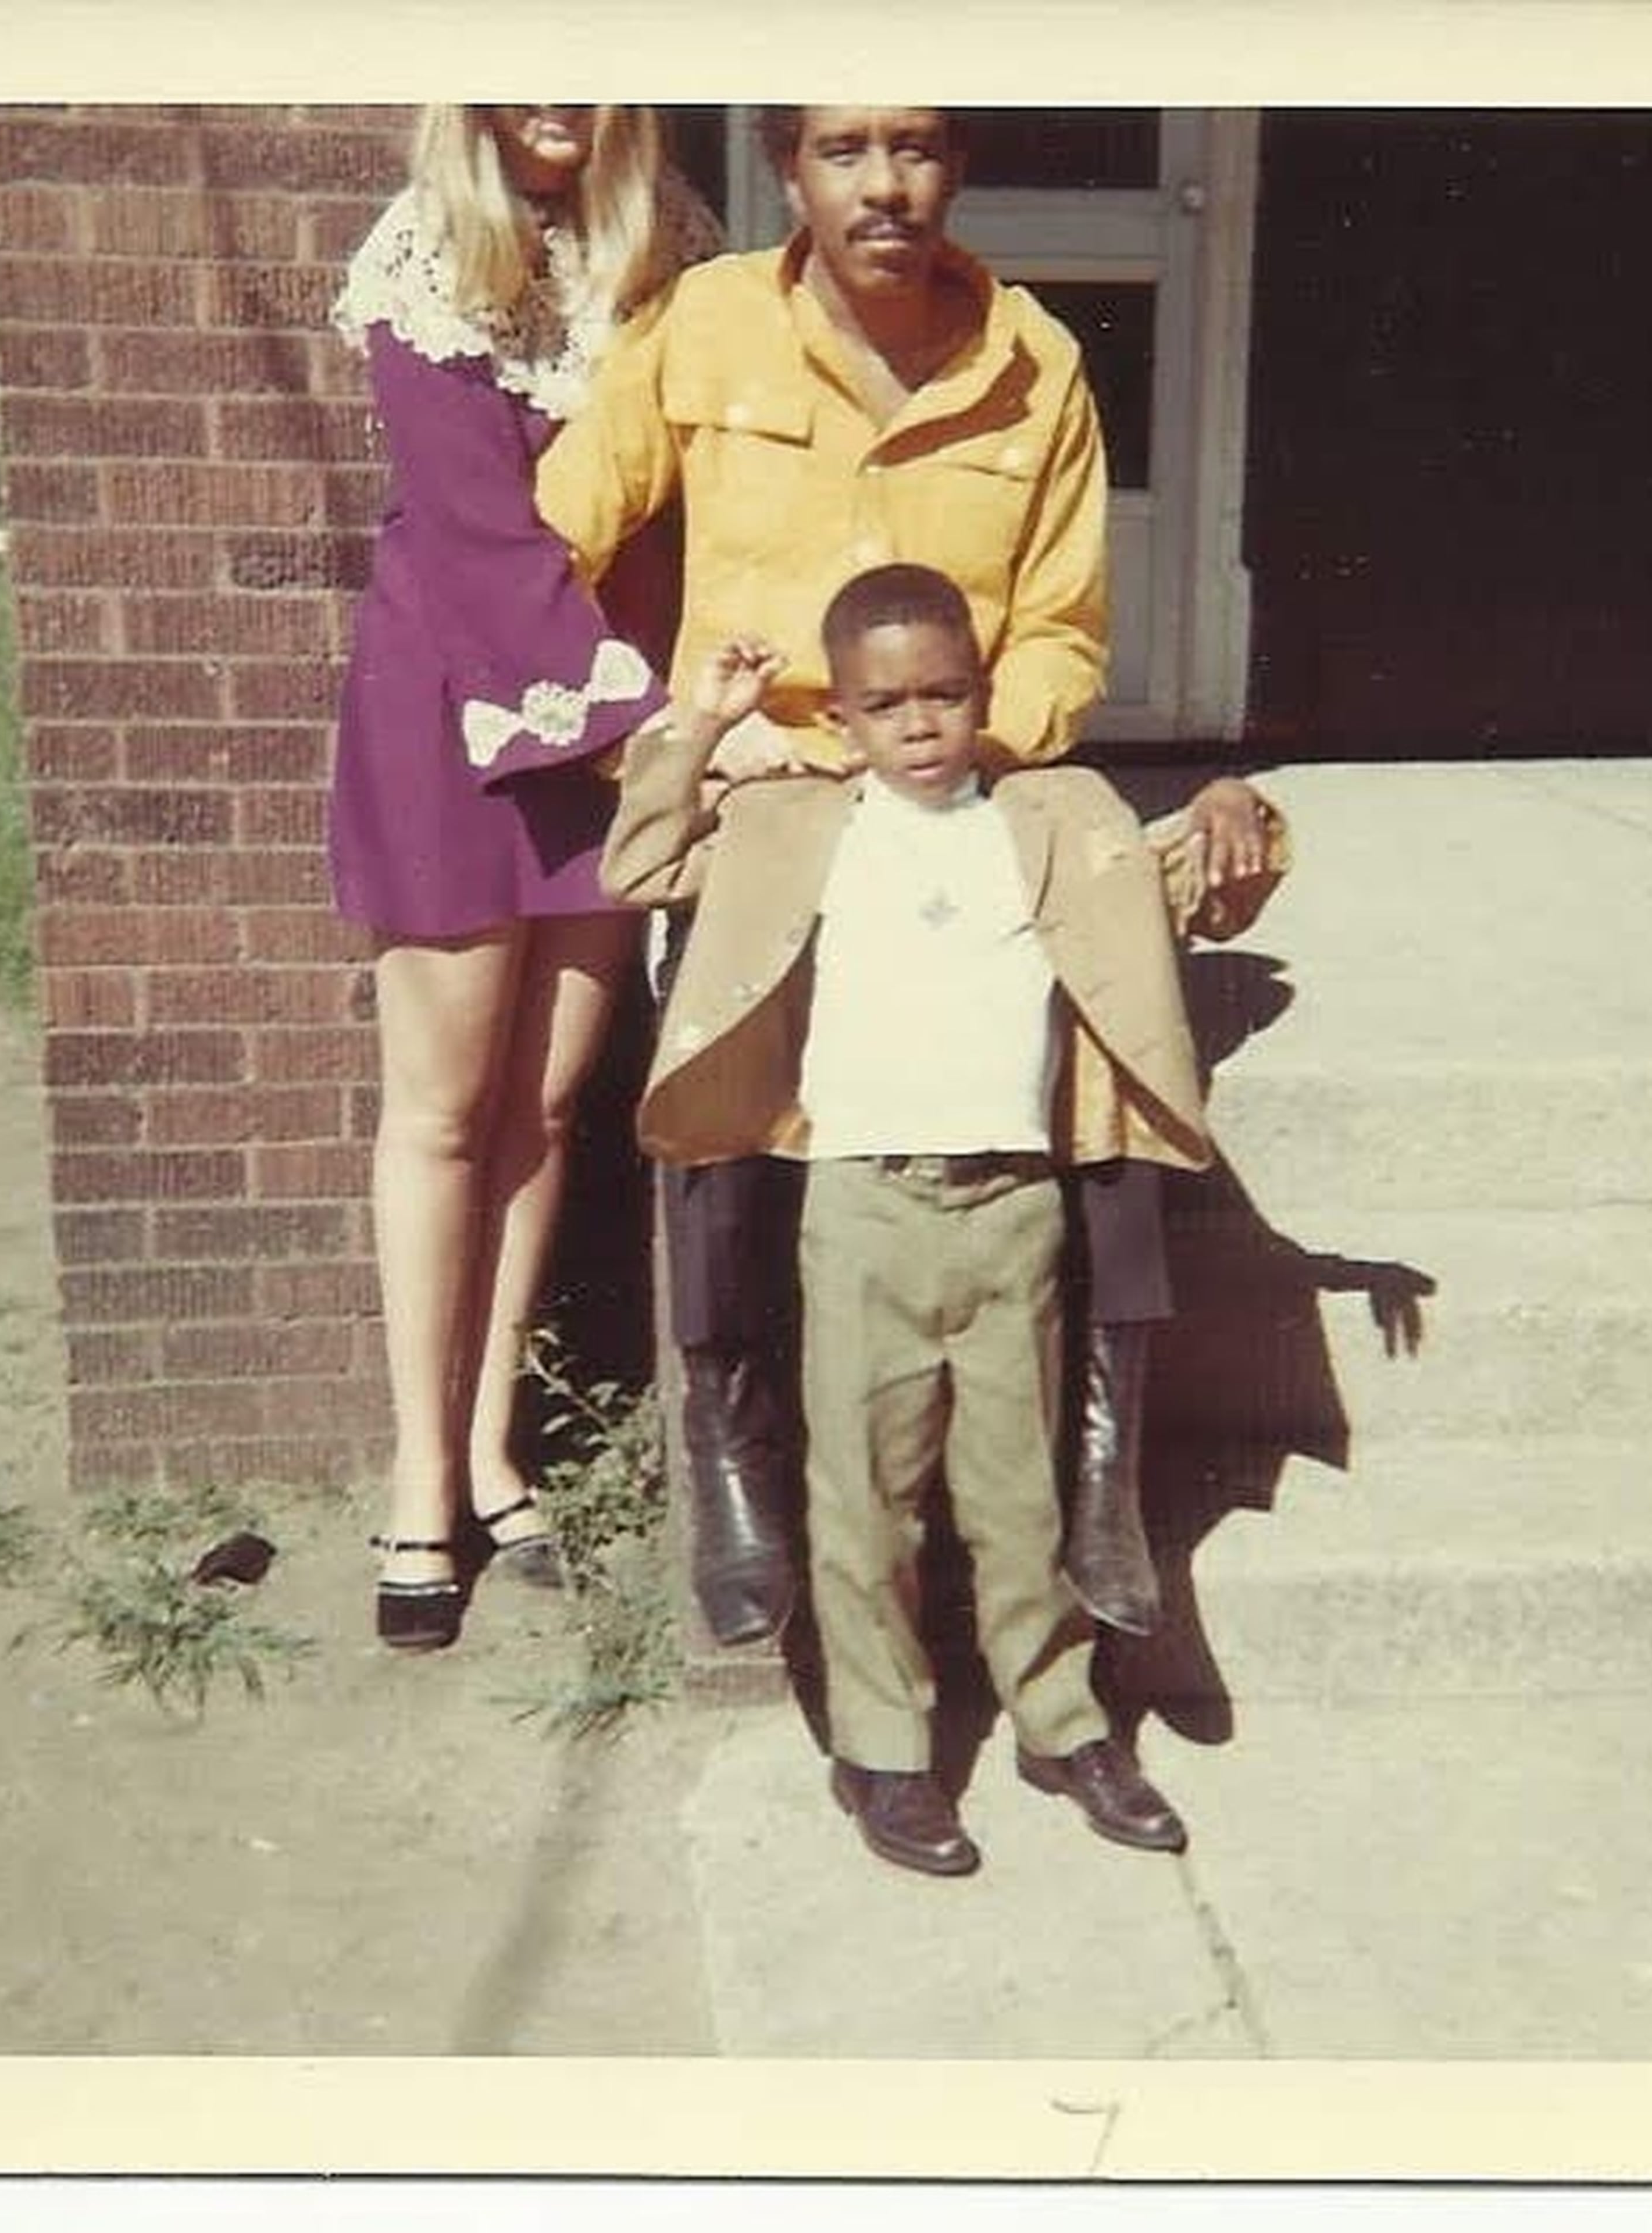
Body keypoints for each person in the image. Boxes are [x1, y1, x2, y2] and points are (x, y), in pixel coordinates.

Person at [540, 105, 1285, 1652]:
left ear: (961, 165)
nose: (885, 185)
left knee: (1114, 1003)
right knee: (726, 1034)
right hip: (775, 800)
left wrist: (953, 753)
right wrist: (661, 735)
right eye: (842, 148)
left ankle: (1099, 1462)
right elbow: (553, 547)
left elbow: (1070, 629)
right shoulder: (705, 327)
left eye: (920, 147)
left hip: (963, 782)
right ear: (787, 166)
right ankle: (737, 1445)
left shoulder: (1036, 364)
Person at [603, 564, 1236, 1874]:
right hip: (863, 1211)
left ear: (983, 695)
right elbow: (642, 861)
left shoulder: (1051, 818)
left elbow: (1194, 886)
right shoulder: (800, 827)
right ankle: (882, 1750)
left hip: (1013, 1211)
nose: (920, 724)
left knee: (1019, 1493)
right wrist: (706, 726)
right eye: (885, 703)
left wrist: (1237, 809)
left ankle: (1060, 1722)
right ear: (841, 718)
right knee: (867, 1494)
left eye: (946, 695)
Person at [328, 105, 719, 1650]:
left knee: (545, 1105)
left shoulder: (673, 242)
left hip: (612, 723)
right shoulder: (427, 247)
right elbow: (482, 532)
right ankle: (418, 1472)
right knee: (439, 1107)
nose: (556, 86)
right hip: (461, 709)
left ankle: (492, 1443)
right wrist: (648, 723)